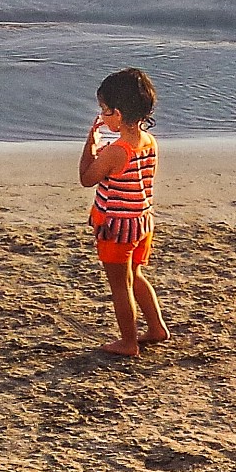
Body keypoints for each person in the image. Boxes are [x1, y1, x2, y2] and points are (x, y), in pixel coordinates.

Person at [78, 68, 168, 358]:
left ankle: (128, 342)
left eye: (104, 110)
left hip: (117, 226)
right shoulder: (148, 142)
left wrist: (89, 147)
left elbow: (87, 178)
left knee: (120, 285)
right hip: (141, 220)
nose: (102, 116)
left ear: (117, 114)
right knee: (136, 276)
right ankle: (156, 328)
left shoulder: (116, 151)